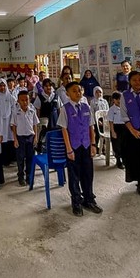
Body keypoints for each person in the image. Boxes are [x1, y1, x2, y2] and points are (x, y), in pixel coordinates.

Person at [58, 81, 103, 217]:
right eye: (74, 91)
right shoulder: (65, 109)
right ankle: (76, 202)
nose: (78, 93)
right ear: (68, 94)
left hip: (86, 145)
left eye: (79, 90)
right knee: (74, 176)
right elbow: (64, 130)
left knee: (88, 174)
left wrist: (93, 145)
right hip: (74, 147)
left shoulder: (86, 107)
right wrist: (69, 149)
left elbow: (91, 127)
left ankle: (89, 199)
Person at [12, 90, 39, 186]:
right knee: (20, 159)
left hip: (30, 137)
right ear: (18, 101)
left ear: (29, 100)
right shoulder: (16, 111)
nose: (24, 102)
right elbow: (14, 126)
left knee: (30, 158)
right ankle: (20, 176)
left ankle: (29, 176)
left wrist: (36, 137)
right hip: (20, 138)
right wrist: (15, 139)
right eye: (22, 100)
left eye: (26, 100)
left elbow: (35, 124)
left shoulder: (32, 110)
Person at [33, 78, 61, 153]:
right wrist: (38, 124)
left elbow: (59, 109)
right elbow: (37, 111)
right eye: (46, 86)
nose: (48, 87)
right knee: (44, 140)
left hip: (55, 122)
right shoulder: (40, 97)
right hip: (44, 123)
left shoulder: (56, 96)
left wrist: (60, 121)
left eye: (50, 86)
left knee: (55, 140)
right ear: (43, 87)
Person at [0, 78, 16, 166]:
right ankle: (2, 160)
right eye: (0, 86)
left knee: (9, 139)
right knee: (1, 139)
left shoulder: (10, 97)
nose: (2, 88)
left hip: (8, 121)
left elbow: (14, 109)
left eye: (4, 85)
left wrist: (12, 121)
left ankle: (10, 159)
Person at [107, 91, 125, 169]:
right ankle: (118, 160)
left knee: (124, 145)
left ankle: (124, 160)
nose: (119, 101)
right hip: (116, 128)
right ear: (113, 100)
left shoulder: (124, 108)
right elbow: (110, 122)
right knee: (116, 145)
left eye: (120, 99)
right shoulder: (112, 109)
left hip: (124, 127)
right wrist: (113, 132)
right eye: (117, 99)